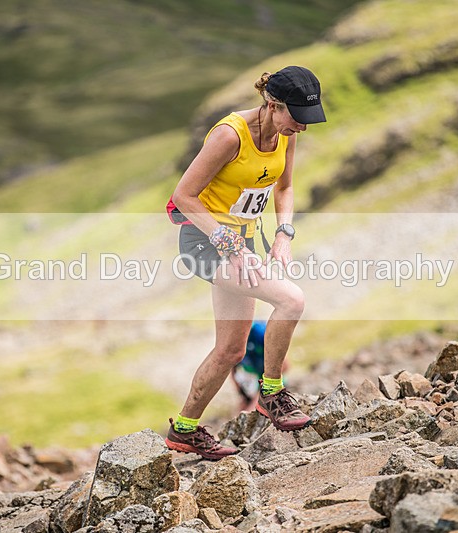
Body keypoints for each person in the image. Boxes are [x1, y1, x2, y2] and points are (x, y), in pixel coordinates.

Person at [164, 66, 326, 460]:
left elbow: (284, 187)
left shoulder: (285, 135)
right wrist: (228, 241)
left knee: (232, 350)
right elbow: (184, 196)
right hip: (204, 240)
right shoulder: (228, 135)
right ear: (273, 105)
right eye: (297, 118)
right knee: (291, 300)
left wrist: (284, 235)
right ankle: (271, 393)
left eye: (309, 120)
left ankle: (183, 430)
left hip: (245, 240)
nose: (302, 128)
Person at [232, 320, 290, 412]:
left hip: (269, 378)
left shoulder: (261, 333)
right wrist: (242, 394)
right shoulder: (232, 338)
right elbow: (232, 368)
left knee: (255, 407)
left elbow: (285, 365)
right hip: (252, 374)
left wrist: (263, 390)